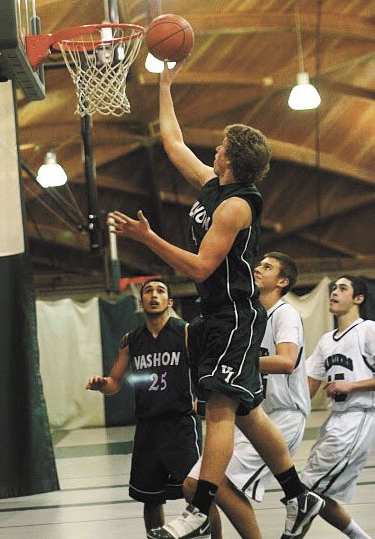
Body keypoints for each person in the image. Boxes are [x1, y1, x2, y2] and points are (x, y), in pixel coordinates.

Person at [108, 62, 324, 539]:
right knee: (247, 413)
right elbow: (173, 144)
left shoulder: (236, 205)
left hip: (234, 316)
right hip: (218, 315)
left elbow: (202, 267)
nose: (216, 147)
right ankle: (298, 492)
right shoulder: (214, 185)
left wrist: (148, 239)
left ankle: (199, 507)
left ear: (232, 158)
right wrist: (165, 84)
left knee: (219, 406)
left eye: (223, 145)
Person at [185, 252, 311, 539]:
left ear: (282, 281)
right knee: (194, 485)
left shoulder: (284, 313)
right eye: (258, 264)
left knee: (221, 485)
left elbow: (286, 361)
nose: (257, 269)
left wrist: (235, 362)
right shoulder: (248, 317)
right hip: (249, 415)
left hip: (281, 417)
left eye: (267, 267)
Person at [85, 279, 204, 534]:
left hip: (180, 424)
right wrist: (102, 384)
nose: (153, 295)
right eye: (148, 291)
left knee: (197, 493)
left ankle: (214, 535)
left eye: (160, 291)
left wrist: (202, 398)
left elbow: (204, 369)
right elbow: (115, 382)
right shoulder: (131, 340)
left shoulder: (185, 331)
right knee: (150, 496)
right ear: (140, 302)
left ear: (169, 302)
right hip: (148, 426)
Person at [298, 275, 375, 539]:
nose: (334, 292)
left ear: (358, 299)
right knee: (313, 496)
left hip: (359, 418)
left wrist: (351, 386)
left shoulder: (368, 330)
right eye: (333, 288)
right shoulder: (326, 340)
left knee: (305, 492)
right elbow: (309, 385)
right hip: (334, 420)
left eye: (342, 288)